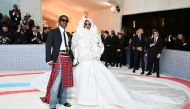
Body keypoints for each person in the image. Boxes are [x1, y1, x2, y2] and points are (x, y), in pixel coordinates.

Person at [41, 15, 73, 109]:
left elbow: (69, 48)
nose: (65, 22)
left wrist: (73, 58)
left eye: (66, 21)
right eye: (63, 20)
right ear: (59, 21)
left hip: (67, 58)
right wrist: (48, 59)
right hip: (58, 57)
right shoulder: (53, 31)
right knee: (56, 82)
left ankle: (63, 100)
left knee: (65, 82)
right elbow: (48, 46)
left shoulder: (67, 34)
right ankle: (52, 105)